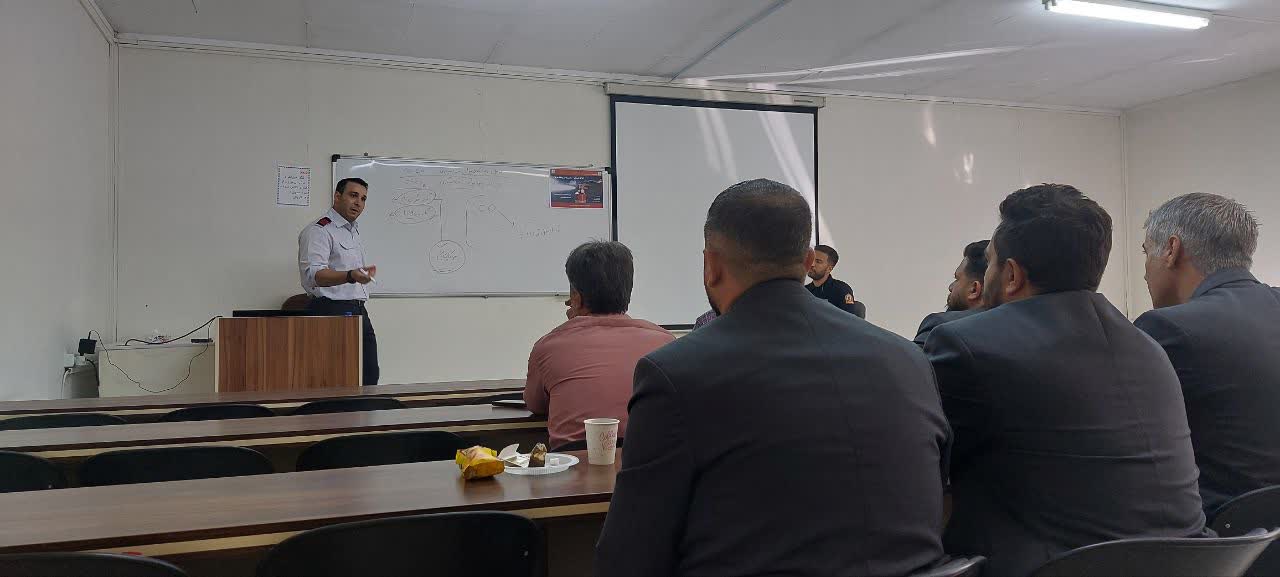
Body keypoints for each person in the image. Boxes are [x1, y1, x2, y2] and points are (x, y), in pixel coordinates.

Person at [596, 179, 949, 577]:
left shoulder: (675, 373)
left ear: (711, 265)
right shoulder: (908, 359)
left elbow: (629, 554)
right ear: (808, 260)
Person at [925, 184, 1206, 576]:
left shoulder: (968, 344)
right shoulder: (1150, 347)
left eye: (989, 263)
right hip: (1191, 564)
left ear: (1011, 275)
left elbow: (914, 461)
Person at [1135, 193, 1280, 514]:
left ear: (1171, 250)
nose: (1145, 272)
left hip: (1224, 530)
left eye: (1146, 252)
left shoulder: (1166, 327)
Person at [524, 241, 673, 450]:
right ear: (628, 290)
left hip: (573, 464)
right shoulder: (666, 343)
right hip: (648, 462)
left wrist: (575, 325)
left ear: (576, 297)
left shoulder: (548, 346)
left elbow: (535, 405)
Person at [299, 177, 380, 385]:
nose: (358, 203)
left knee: (369, 377)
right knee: (338, 380)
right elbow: (315, 275)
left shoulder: (352, 230)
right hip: (332, 312)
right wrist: (350, 275)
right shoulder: (319, 230)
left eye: (363, 199)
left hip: (359, 311)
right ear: (337, 196)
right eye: (353, 196)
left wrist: (359, 275)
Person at [913, 240, 988, 346]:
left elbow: (910, 356)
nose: (950, 287)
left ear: (974, 289)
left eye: (957, 279)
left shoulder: (941, 327)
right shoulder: (1010, 334)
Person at [805, 244, 860, 316]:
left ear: (829, 269)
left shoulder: (841, 289)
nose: (812, 264)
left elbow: (849, 319)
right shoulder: (805, 290)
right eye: (812, 259)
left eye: (818, 261)